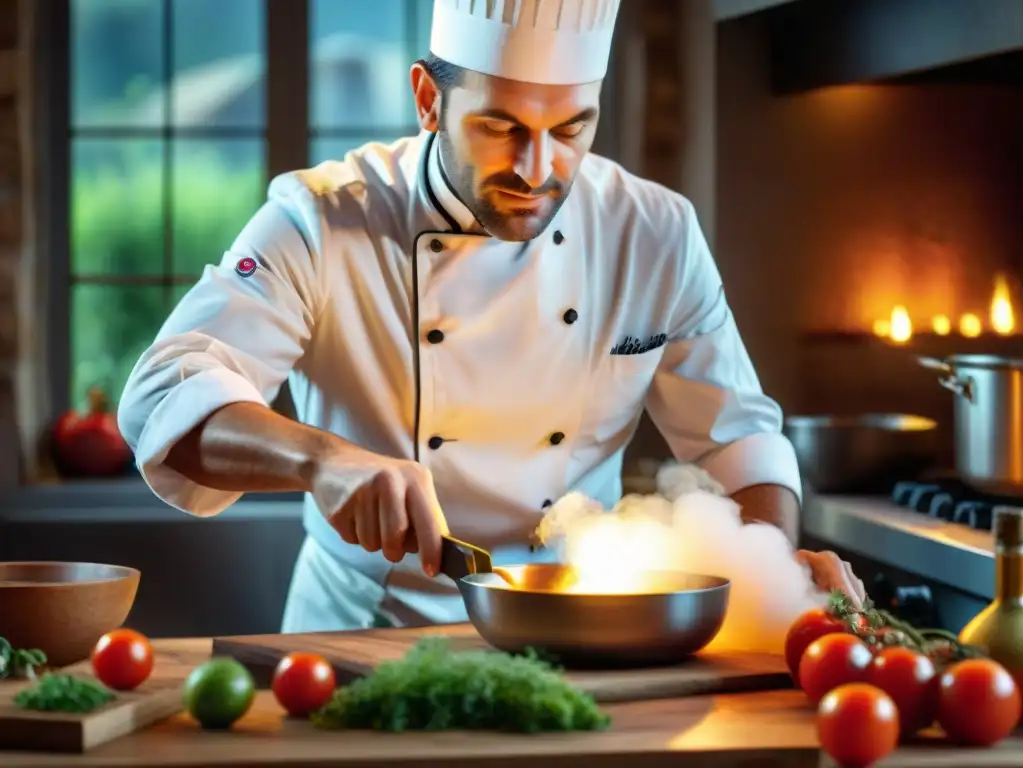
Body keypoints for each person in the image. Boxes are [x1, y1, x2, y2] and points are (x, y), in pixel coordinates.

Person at [117, 0, 866, 632]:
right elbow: (162, 395)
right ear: (429, 100)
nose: (539, 170)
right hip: (359, 625)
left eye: (572, 129)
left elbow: (739, 439)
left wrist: (775, 569)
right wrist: (323, 461)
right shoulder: (323, 219)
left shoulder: (654, 231)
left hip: (572, 625)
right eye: (502, 127)